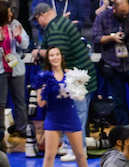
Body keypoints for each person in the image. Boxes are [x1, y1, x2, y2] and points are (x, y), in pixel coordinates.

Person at [33, 2, 97, 151]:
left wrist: (38, 53)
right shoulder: (60, 22)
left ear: (42, 16)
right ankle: (70, 145)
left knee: (76, 114)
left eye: (37, 20)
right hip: (77, 77)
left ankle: (75, 149)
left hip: (77, 79)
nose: (38, 24)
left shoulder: (56, 28)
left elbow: (57, 54)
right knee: (74, 113)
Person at [34, 46, 96, 167]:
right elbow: (41, 104)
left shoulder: (70, 75)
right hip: (53, 118)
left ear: (61, 57)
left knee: (80, 153)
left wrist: (79, 84)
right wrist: (43, 88)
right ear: (48, 59)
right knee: (49, 155)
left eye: (57, 55)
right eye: (52, 55)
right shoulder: (44, 77)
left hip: (70, 116)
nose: (55, 58)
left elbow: (80, 96)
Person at [93, 0, 129, 127]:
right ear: (114, 9)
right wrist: (112, 38)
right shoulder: (103, 17)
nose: (125, 16)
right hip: (112, 64)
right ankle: (124, 129)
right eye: (122, 14)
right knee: (118, 101)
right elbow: (96, 38)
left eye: (126, 13)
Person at [0, 0, 29, 147]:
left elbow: (26, 44)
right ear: (1, 13)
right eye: (8, 11)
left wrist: (18, 37)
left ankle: (22, 128)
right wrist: (0, 41)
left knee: (20, 100)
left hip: (16, 68)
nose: (11, 13)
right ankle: (0, 130)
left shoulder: (16, 24)